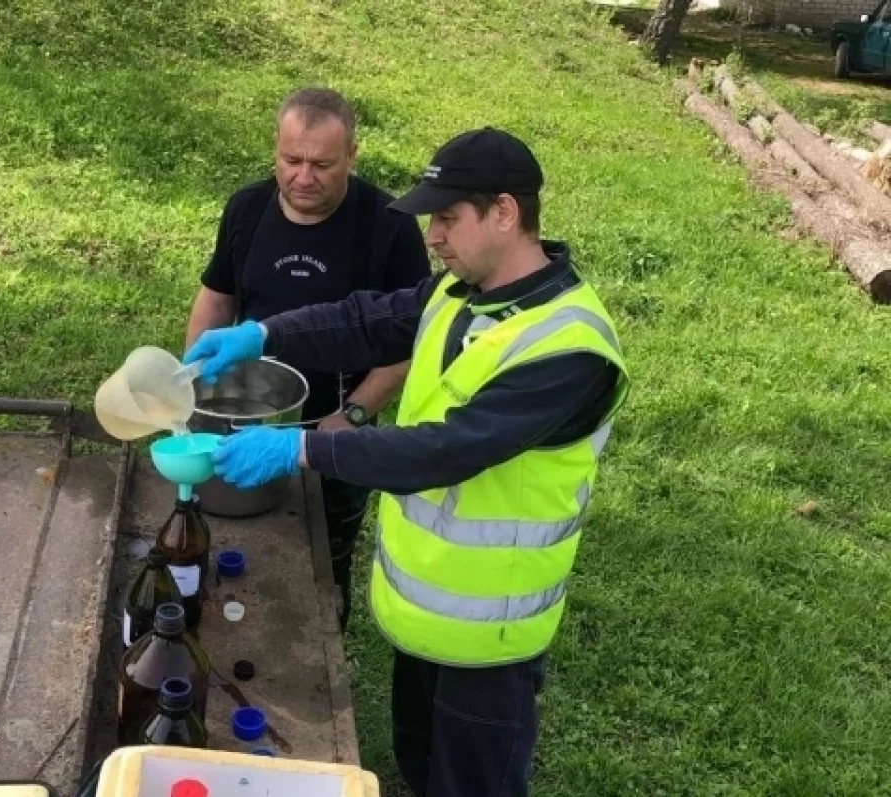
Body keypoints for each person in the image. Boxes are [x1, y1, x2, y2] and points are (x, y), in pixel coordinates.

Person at [184, 128, 630, 797]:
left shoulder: (569, 349)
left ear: (505, 213)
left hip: (489, 637)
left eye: (448, 218)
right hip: (423, 614)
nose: (434, 237)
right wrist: (264, 332)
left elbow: (444, 448)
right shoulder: (459, 292)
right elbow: (366, 321)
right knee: (420, 768)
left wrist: (301, 444)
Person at [184, 87, 431, 629]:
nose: (302, 177)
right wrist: (191, 378)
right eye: (290, 160)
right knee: (230, 535)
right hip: (244, 414)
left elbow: (410, 339)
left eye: (321, 164)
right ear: (275, 150)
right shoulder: (247, 209)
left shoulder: (385, 225)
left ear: (352, 155)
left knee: (323, 557)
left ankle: (322, 640)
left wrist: (354, 416)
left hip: (336, 426)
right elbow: (217, 295)